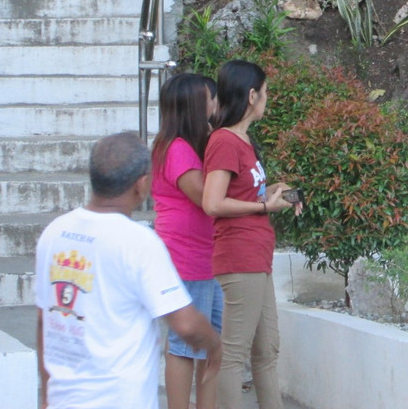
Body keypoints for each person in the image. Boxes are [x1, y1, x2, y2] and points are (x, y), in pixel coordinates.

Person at [36, 132, 222, 409]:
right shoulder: (138, 242)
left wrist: (47, 397)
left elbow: (44, 322)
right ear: (142, 184)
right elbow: (186, 324)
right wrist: (214, 344)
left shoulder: (54, 233)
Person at [203, 60, 302, 409]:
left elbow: (245, 193)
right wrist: (263, 207)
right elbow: (212, 202)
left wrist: (277, 193)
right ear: (251, 96)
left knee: (266, 349)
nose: (267, 98)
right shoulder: (224, 141)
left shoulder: (243, 141)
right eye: (265, 91)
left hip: (256, 256)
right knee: (234, 354)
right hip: (239, 256)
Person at [152, 74, 222, 409]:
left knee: (212, 343)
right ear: (196, 106)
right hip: (186, 258)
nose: (217, 104)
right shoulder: (177, 148)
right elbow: (206, 196)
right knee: (184, 346)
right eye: (212, 98)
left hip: (208, 257)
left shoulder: (188, 144)